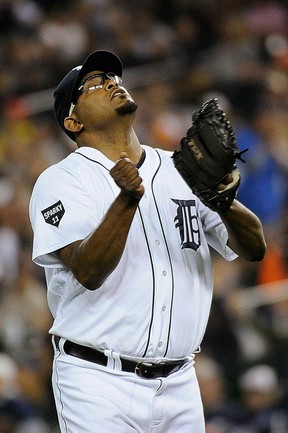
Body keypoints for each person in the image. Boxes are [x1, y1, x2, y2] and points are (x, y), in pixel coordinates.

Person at [29, 50, 266, 433]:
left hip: (181, 382)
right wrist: (127, 200)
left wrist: (223, 203)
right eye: (94, 84)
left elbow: (255, 249)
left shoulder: (180, 169)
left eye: (113, 77)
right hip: (98, 380)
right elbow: (88, 271)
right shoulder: (62, 180)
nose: (111, 83)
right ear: (72, 120)